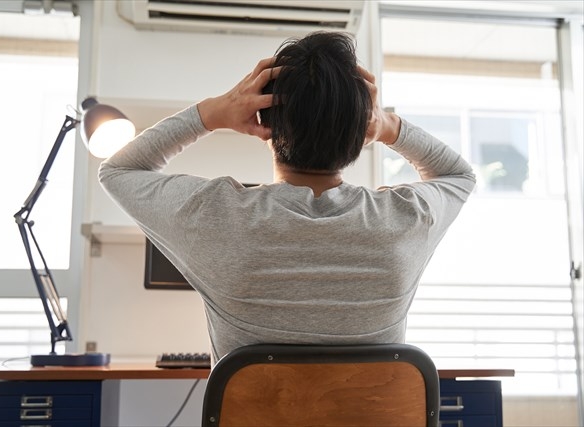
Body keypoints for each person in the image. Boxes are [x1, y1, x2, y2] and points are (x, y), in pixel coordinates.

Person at [99, 31, 476, 365]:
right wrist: (388, 125)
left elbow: (118, 171)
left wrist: (213, 113)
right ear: (361, 130)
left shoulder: (216, 214)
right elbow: (459, 174)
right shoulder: (404, 220)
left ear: (265, 122)